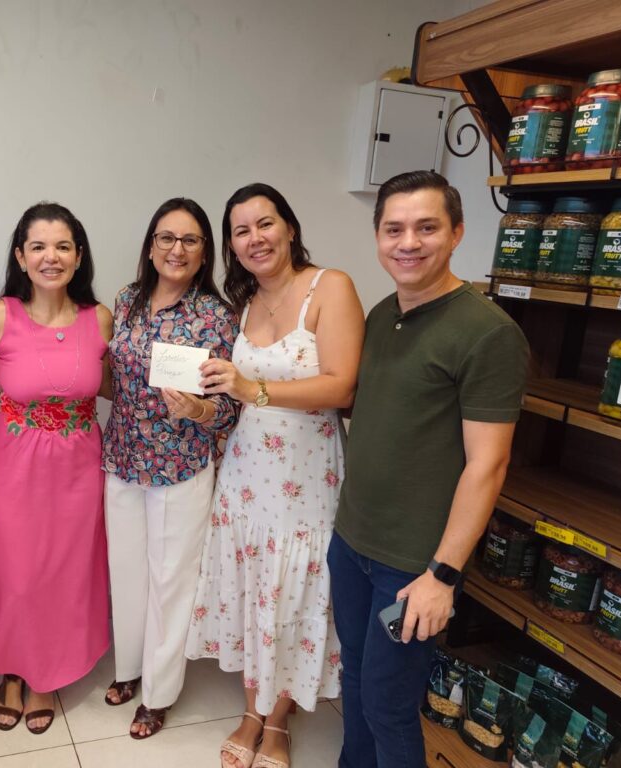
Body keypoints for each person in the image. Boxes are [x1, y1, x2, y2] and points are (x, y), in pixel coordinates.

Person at [329, 170, 529, 768]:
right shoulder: (381, 314)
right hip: (353, 542)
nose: (408, 242)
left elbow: (488, 465)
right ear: (378, 237)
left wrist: (442, 574)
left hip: (414, 564)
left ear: (457, 233)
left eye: (426, 227)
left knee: (388, 704)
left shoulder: (488, 334)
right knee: (354, 676)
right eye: (394, 229)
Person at [186, 183, 365, 768]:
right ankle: (250, 712)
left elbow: (342, 386)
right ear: (232, 246)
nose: (255, 238)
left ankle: (279, 720)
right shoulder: (243, 303)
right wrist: (201, 402)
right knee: (251, 585)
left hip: (306, 474)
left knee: (295, 588)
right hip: (246, 471)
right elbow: (234, 396)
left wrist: (252, 387)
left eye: (265, 224)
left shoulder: (329, 287)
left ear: (289, 227)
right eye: (241, 231)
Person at [0, 202, 111, 735]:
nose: (52, 257)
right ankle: (11, 669)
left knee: (63, 571)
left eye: (63, 246)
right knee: (13, 571)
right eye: (39, 246)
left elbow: (112, 385)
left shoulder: (100, 318)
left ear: (78, 256)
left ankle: (46, 674)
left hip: (79, 463)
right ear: (21, 256)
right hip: (11, 461)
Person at [102, 198, 239, 739]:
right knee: (126, 572)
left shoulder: (216, 316)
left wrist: (198, 410)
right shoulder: (127, 300)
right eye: (166, 237)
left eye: (189, 240)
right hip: (122, 457)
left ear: (205, 251)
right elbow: (113, 379)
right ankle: (128, 668)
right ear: (151, 245)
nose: (176, 249)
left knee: (170, 581)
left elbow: (228, 406)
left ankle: (158, 694)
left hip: (181, 463)